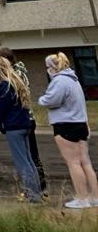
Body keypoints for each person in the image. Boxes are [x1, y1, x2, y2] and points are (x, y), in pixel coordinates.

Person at [38, 51, 98, 209]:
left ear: (52, 67)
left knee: (73, 163)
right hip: (80, 123)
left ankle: (82, 197)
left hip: (65, 125)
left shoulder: (59, 81)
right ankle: (94, 197)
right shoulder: (74, 79)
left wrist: (41, 99)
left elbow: (51, 100)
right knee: (85, 162)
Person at [0, 56, 41, 203]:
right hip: (24, 124)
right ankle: (37, 191)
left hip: (13, 126)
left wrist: (0, 124)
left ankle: (32, 195)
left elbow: (2, 110)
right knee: (29, 160)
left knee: (22, 162)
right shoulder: (17, 82)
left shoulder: (4, 86)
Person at [0, 47, 47, 192]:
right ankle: (38, 187)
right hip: (28, 117)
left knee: (28, 156)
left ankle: (36, 188)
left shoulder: (13, 75)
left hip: (20, 117)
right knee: (31, 156)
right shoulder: (21, 72)